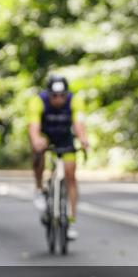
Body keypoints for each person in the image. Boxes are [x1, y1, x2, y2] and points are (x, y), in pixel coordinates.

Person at [27, 75, 90, 240]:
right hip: (46, 136)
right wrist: (36, 141)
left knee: (70, 174)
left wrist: (83, 138)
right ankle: (39, 188)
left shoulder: (74, 101)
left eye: (62, 95)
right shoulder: (38, 101)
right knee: (38, 151)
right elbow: (33, 127)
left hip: (65, 137)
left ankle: (70, 220)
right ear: (48, 94)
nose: (58, 99)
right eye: (54, 96)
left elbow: (79, 123)